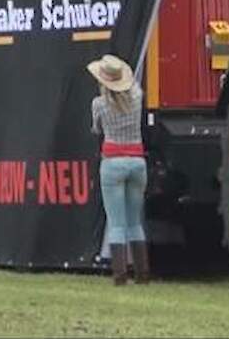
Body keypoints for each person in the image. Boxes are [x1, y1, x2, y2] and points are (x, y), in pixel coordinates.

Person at [87, 54, 149, 286]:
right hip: (137, 161)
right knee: (134, 222)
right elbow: (133, 88)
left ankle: (120, 275)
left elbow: (96, 129)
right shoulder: (137, 97)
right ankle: (142, 274)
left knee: (117, 222)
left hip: (112, 162)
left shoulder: (99, 104)